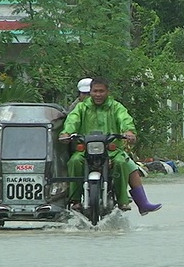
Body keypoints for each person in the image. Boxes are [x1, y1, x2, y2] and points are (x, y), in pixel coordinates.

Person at [58, 77, 162, 216]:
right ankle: (75, 200)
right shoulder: (81, 107)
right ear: (90, 92)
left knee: (122, 163)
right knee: (74, 161)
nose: (98, 94)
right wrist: (66, 133)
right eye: (95, 91)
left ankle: (123, 200)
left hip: (112, 150)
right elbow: (72, 120)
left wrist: (129, 131)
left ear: (108, 92)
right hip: (86, 150)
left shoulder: (116, 107)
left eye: (101, 91)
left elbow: (124, 118)